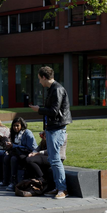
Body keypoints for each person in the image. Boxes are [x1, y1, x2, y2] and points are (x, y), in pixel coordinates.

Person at [29, 66, 72, 200]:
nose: (39, 82)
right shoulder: (53, 89)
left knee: (55, 159)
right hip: (53, 128)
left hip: (57, 129)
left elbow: (53, 111)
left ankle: (62, 189)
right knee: (53, 160)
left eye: (39, 79)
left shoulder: (57, 89)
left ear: (43, 77)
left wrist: (39, 110)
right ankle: (58, 187)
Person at [0, 117, 37, 191]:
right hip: (18, 152)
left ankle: (13, 182)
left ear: (22, 125)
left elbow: (30, 148)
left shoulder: (27, 133)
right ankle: (5, 181)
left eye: (17, 126)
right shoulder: (14, 134)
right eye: (14, 126)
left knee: (14, 159)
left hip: (28, 153)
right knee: (6, 157)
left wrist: (14, 146)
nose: (15, 127)